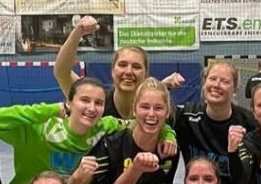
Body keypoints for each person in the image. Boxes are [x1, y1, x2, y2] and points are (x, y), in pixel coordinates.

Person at [0, 76, 177, 184]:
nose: (92, 108)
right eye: (85, 100)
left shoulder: (105, 126)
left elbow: (144, 122)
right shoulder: (39, 129)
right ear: (69, 103)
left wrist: (168, 134)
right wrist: (51, 109)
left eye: (99, 103)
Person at [80, 78, 180, 184]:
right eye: (145, 107)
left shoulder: (169, 151)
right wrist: (135, 169)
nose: (151, 114)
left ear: (167, 112)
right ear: (134, 109)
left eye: (158, 108)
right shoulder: (111, 145)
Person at [54, 15, 183, 120]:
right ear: (112, 71)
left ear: (145, 74)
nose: (129, 71)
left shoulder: (152, 110)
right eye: (122, 65)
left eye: (136, 67)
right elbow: (62, 72)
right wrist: (78, 32)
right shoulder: (97, 102)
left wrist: (161, 87)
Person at [172, 61, 259, 184]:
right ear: (204, 83)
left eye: (225, 81)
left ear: (235, 90)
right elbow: (151, 115)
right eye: (212, 79)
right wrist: (164, 86)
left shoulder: (249, 123)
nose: (217, 85)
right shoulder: (187, 116)